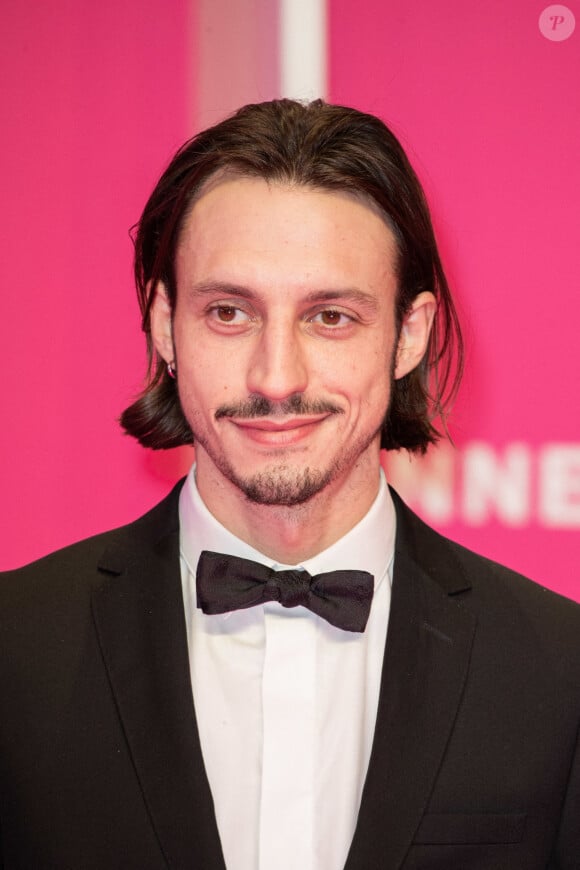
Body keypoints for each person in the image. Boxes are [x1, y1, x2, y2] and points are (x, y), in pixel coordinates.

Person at [0, 99, 578, 870]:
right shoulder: (15, 650)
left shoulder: (559, 672)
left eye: (330, 317)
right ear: (166, 324)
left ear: (409, 334)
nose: (277, 377)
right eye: (230, 312)